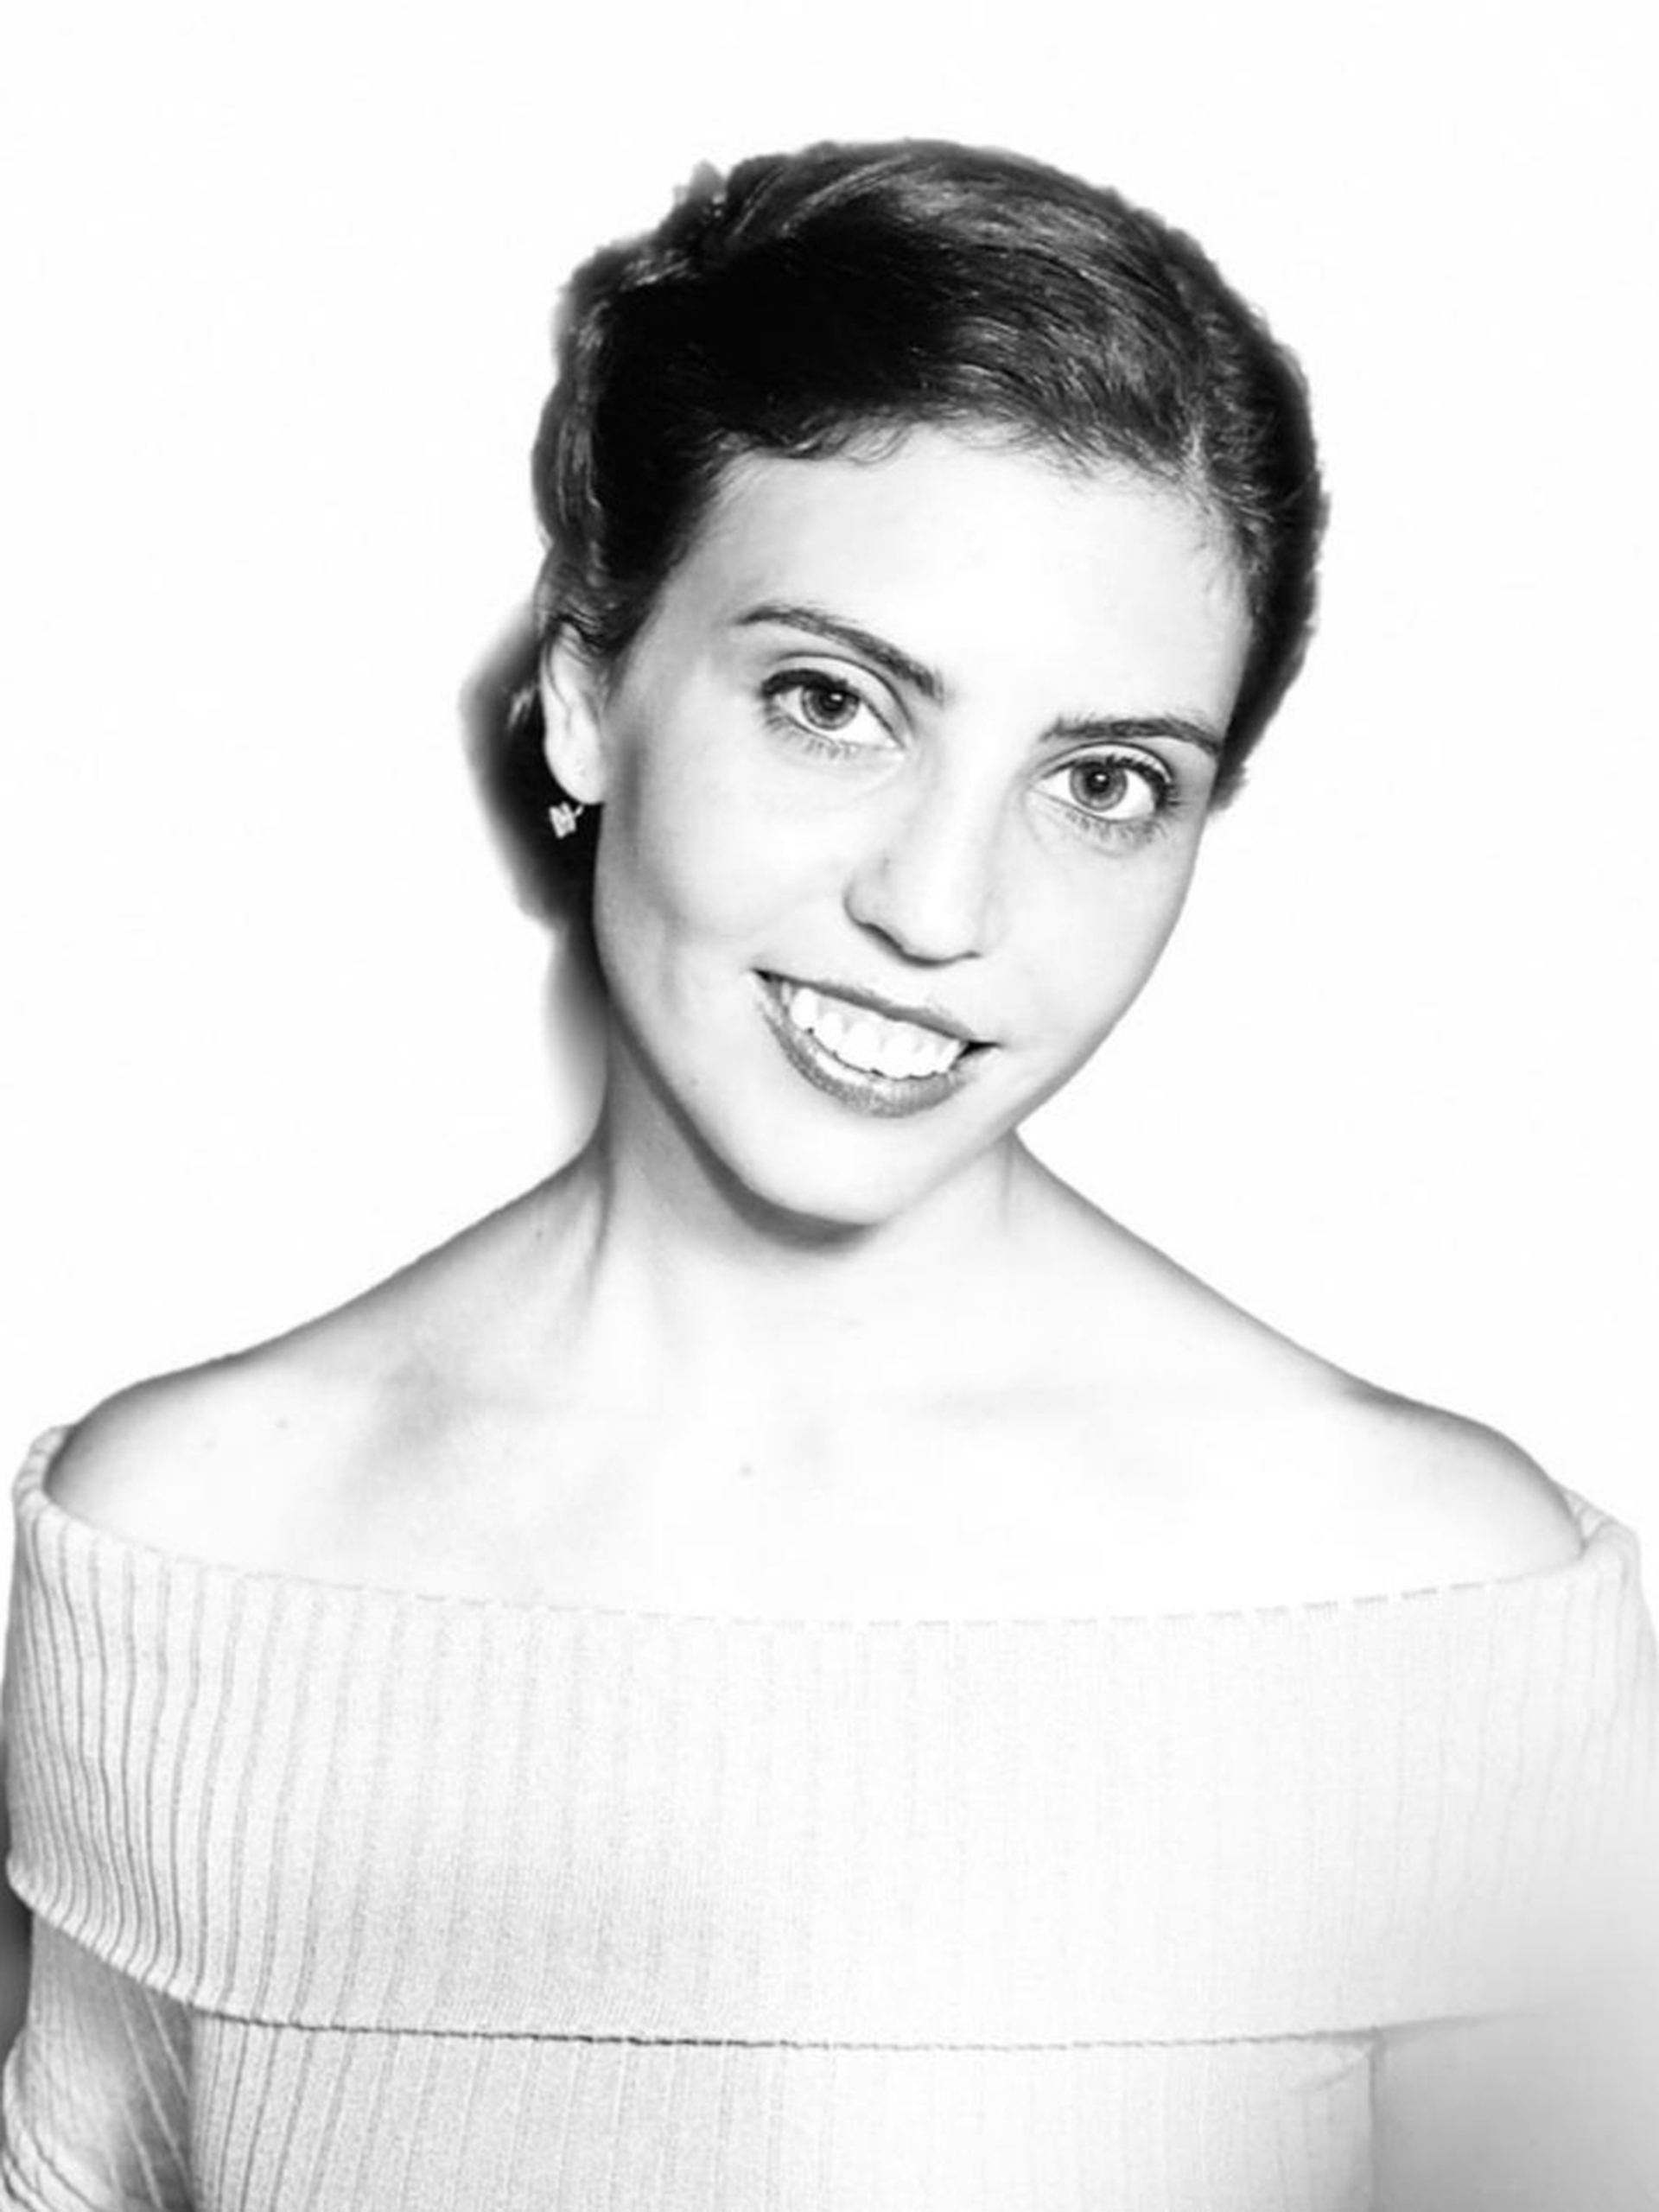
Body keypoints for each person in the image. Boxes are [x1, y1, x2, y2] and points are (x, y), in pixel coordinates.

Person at [3, 138, 1655, 2209]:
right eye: (832, 701)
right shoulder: (188, 1547)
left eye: (1105, 779)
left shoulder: (1430, 1599)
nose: (941, 907)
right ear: (587, 694)